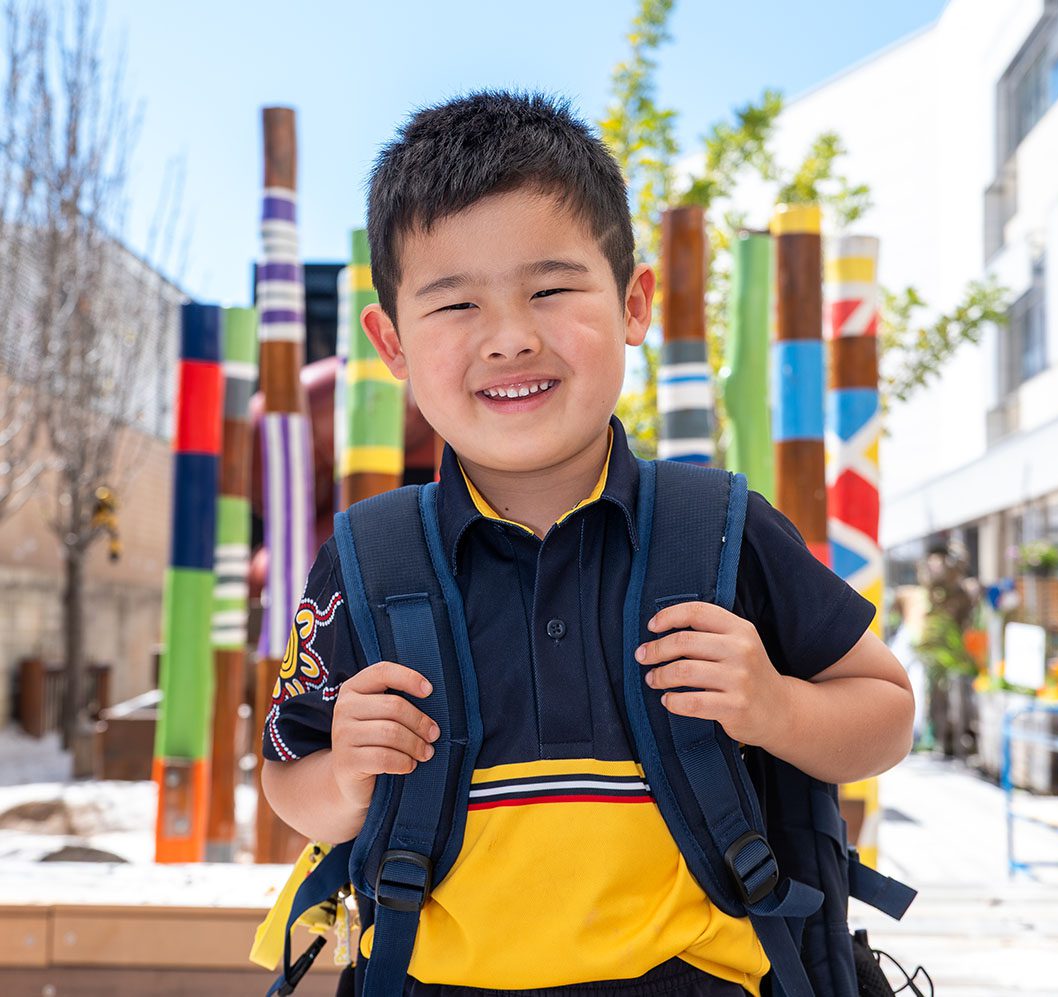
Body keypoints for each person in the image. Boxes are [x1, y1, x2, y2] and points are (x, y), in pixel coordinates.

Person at [260, 90, 915, 997]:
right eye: (454, 305)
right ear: (390, 341)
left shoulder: (720, 530)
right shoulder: (370, 562)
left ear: (634, 302)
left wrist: (774, 707)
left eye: (551, 289)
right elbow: (288, 775)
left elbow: (884, 709)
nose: (510, 338)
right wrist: (347, 775)